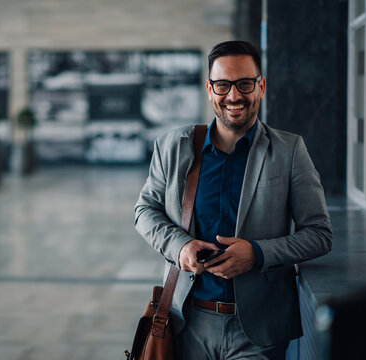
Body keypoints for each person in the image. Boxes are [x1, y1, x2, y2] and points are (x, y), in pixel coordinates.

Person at [134, 40, 332, 359]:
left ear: (261, 86)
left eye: (244, 84)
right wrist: (179, 246)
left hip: (257, 331)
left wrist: (257, 253)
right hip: (186, 324)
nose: (234, 96)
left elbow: (320, 234)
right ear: (210, 89)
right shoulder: (172, 147)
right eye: (223, 85)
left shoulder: (289, 151)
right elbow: (145, 211)